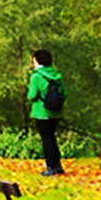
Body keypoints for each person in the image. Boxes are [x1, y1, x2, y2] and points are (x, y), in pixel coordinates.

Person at [27, 49, 68, 177]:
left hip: (41, 113)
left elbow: (31, 96)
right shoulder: (58, 75)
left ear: (38, 61)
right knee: (52, 138)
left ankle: (51, 166)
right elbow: (64, 93)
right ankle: (58, 165)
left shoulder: (36, 76)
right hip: (56, 113)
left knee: (47, 140)